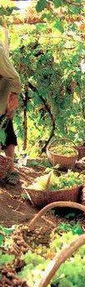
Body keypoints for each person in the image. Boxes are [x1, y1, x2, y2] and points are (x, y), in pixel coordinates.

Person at [0, 25, 22, 185]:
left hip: (3, 90)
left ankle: (11, 169)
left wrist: (13, 96)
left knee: (6, 129)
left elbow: (14, 77)